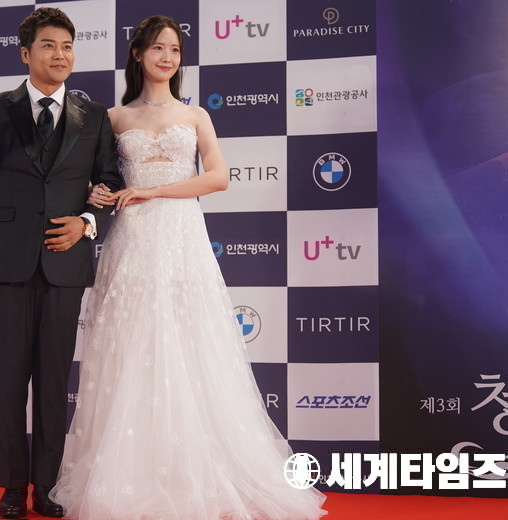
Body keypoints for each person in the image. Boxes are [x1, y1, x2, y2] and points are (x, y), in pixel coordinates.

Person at [49, 15, 327, 520]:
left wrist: (153, 190)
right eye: (157, 48)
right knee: (131, 351)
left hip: (183, 241)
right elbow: (96, 180)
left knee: (190, 348)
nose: (167, 57)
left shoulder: (196, 115)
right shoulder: (112, 118)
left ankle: (195, 475)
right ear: (138, 54)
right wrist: (99, 194)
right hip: (131, 243)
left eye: (174, 49)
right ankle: (131, 477)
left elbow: (218, 177)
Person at [0, 7, 121, 519]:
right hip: (6, 263)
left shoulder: (94, 116)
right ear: (26, 54)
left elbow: (109, 180)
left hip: (65, 263)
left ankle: (48, 486)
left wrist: (86, 221)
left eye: (67, 46)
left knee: (53, 384)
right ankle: (13, 488)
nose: (59, 54)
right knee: (10, 381)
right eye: (48, 45)